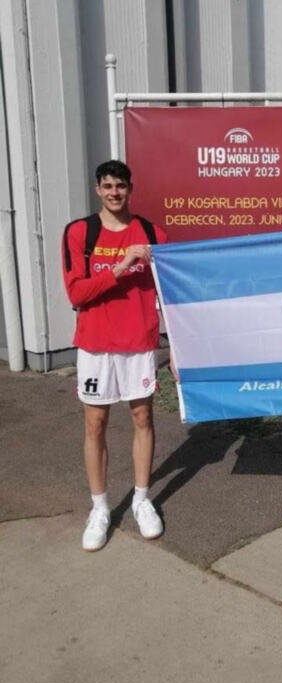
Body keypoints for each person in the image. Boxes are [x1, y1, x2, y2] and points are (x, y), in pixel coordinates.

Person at [62, 160, 170, 551]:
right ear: (97, 190)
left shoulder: (153, 233)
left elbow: (168, 294)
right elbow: (77, 293)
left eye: (120, 186)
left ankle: (142, 500)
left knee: (143, 417)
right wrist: (123, 265)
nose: (114, 193)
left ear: (130, 189)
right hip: (95, 344)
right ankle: (100, 507)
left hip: (138, 343)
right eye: (107, 186)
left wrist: (174, 346)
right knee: (95, 424)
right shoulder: (80, 232)